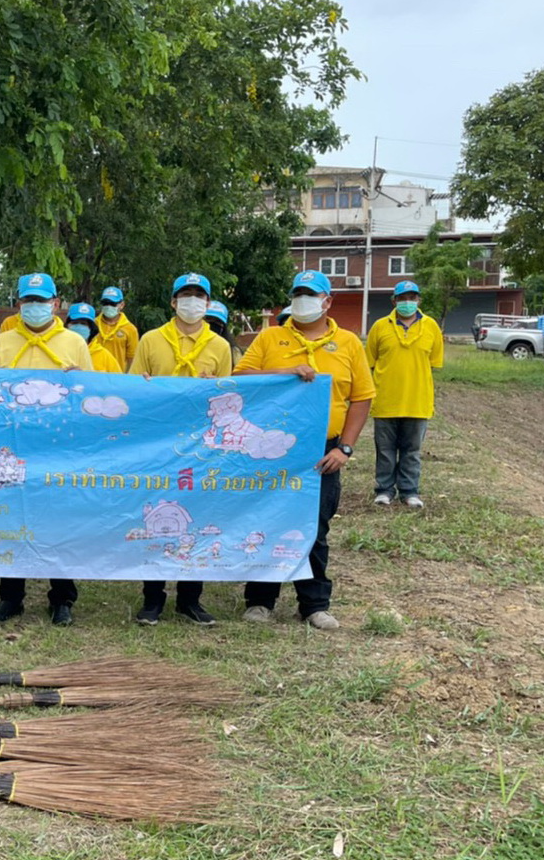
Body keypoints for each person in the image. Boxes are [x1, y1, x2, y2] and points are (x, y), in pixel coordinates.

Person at [232, 270, 374, 631]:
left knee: (314, 526)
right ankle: (260, 600)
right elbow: (240, 377)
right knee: (268, 520)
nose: (302, 300)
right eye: (297, 293)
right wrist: (286, 372)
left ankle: (313, 604)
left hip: (323, 451)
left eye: (310, 294)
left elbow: (361, 398)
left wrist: (345, 448)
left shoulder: (348, 343)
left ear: (327, 302)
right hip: (272, 449)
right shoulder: (270, 337)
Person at [128, 272, 233, 626]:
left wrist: (214, 388)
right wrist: (143, 386)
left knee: (197, 515)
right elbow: (133, 390)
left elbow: (226, 398)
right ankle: (152, 598)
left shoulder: (219, 346)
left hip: (200, 446)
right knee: (157, 514)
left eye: (199, 296)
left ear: (208, 303)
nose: (192, 301)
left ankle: (190, 599)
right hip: (159, 443)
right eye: (186, 295)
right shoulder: (151, 340)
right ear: (173, 302)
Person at [0, 272, 92, 625]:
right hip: (14, 443)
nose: (34, 306)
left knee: (59, 521)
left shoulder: (74, 343)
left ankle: (62, 599)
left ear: (56, 303)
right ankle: (11, 597)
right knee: (12, 519)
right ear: (19, 304)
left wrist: (79, 381)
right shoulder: (2, 342)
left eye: (41, 300)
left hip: (58, 446)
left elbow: (88, 396)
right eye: (28, 300)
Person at [365, 280, 444, 510]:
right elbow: (369, 362)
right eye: (402, 298)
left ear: (419, 300)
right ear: (394, 301)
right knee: (385, 450)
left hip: (417, 400)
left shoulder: (431, 327)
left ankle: (410, 491)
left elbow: (433, 362)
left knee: (412, 451)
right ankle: (384, 490)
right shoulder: (380, 326)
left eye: (412, 298)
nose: (407, 302)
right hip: (385, 400)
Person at [64, 302, 122, 373]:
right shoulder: (60, 351)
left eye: (83, 324)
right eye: (75, 323)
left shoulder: (104, 356)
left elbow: (118, 379)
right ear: (67, 326)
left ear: (91, 328)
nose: (79, 327)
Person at [96, 286, 139, 371]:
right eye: (105, 303)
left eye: (112, 303)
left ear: (122, 305)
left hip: (117, 375)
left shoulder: (130, 329)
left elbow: (132, 358)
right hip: (93, 374)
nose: (108, 306)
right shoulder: (93, 325)